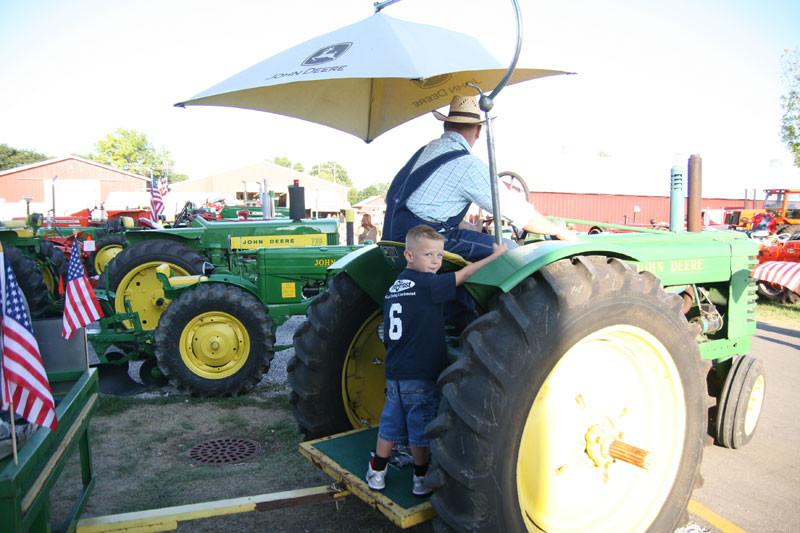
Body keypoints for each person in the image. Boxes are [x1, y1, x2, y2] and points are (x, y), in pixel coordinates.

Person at [366, 225, 508, 496]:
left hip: (395, 370)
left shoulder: (396, 286)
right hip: (419, 374)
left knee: (390, 424)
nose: (435, 261)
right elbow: (464, 274)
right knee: (419, 429)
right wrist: (496, 256)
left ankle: (377, 471)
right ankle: (420, 478)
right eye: (428, 255)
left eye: (439, 256)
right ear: (409, 255)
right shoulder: (428, 285)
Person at [383, 94, 576, 261]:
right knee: (512, 250)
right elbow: (522, 216)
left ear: (446, 125)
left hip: (392, 241)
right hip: (423, 242)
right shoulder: (468, 165)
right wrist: (559, 230)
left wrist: (468, 227)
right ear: (478, 130)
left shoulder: (426, 152)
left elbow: (425, 207)